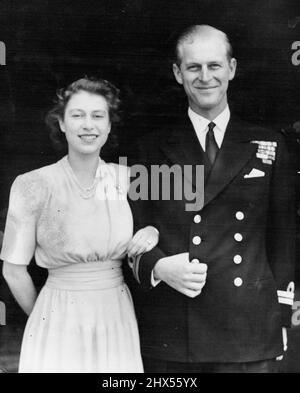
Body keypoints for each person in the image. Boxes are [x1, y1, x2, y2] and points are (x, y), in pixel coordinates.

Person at [128, 25, 296, 373]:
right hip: (175, 326)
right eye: (193, 67)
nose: (205, 77)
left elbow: (283, 238)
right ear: (178, 73)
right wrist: (157, 266)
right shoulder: (149, 148)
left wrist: (279, 314)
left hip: (247, 326)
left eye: (214, 66)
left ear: (231, 69)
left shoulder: (270, 145)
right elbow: (131, 226)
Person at [0, 77, 159, 373]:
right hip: (57, 313)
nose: (89, 125)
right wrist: (45, 320)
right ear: (61, 123)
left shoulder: (129, 179)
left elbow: (165, 222)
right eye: (77, 115)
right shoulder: (32, 184)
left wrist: (152, 232)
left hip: (116, 313)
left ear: (110, 125)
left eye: (98, 116)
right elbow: (13, 270)